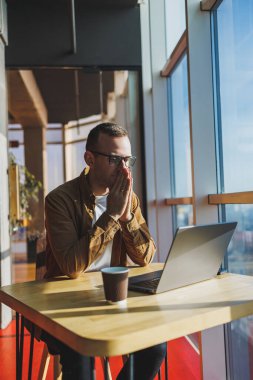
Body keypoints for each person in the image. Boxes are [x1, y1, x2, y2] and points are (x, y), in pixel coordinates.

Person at [42, 122, 167, 379]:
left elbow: (145, 256)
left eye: (127, 160)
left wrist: (125, 216)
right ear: (89, 158)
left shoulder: (128, 198)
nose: (124, 169)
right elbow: (71, 266)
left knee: (155, 347)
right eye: (114, 159)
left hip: (113, 298)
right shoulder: (59, 200)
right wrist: (111, 214)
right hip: (65, 306)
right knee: (82, 361)